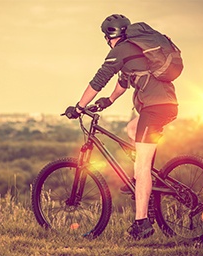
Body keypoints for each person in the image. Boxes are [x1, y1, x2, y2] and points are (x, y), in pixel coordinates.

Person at [64, 14, 178, 240]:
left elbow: (100, 79)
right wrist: (109, 100)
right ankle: (146, 183)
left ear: (109, 36)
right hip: (166, 105)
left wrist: (79, 106)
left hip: (154, 109)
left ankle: (141, 223)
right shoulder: (136, 49)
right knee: (132, 130)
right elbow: (123, 81)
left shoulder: (120, 50)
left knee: (141, 166)